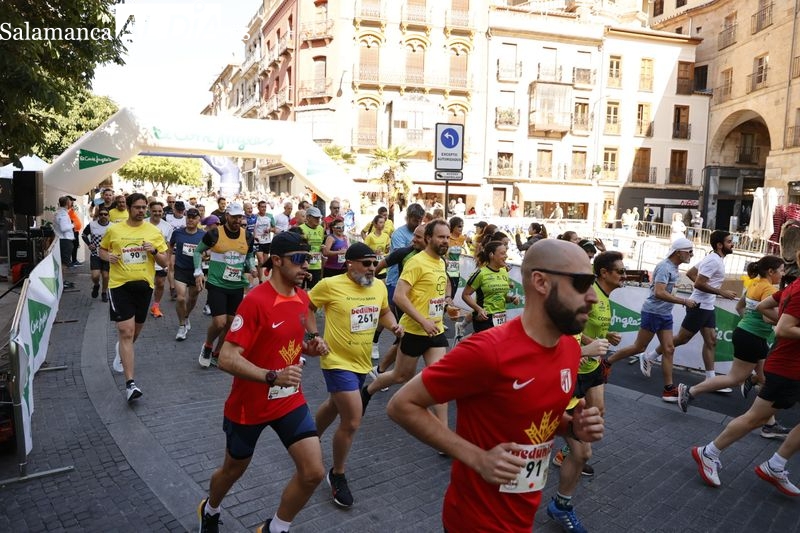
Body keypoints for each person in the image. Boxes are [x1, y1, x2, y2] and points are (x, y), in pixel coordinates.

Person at [386, 239, 604, 533]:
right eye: (582, 283)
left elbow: (534, 419)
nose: (592, 297)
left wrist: (570, 426)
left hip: (521, 518)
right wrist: (477, 458)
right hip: (474, 522)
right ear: (540, 282)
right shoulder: (488, 351)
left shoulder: (569, 348)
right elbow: (401, 405)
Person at [197, 231, 331, 533]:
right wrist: (271, 376)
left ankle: (274, 529)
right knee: (233, 470)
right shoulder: (255, 301)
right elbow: (227, 359)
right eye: (299, 260)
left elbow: (291, 341)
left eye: (308, 259)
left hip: (288, 399)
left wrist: (311, 345)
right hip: (249, 406)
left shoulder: (301, 297)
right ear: (277, 261)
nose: (305, 266)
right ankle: (211, 508)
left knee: (313, 472)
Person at [690, 253, 800, 496]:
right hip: (786, 367)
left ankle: (776, 464)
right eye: (778, 269)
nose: (781, 272)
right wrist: (777, 322)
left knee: (751, 404)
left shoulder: (792, 286)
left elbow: (762, 307)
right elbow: (782, 327)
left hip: (786, 364)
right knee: (754, 417)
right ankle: (709, 451)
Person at [308, 242, 403, 508]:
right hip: (336, 361)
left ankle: (307, 439)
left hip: (361, 362)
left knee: (334, 405)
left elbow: (384, 311)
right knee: (351, 419)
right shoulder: (330, 285)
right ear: (349, 263)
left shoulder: (379, 287)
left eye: (374, 263)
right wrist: (314, 336)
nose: (372, 268)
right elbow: (306, 307)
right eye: (366, 263)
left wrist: (394, 325)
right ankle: (337, 475)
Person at [549, 251, 625, 529]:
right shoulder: (564, 305)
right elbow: (551, 349)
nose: (591, 295)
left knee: (583, 449)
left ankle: (560, 503)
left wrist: (596, 344)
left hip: (581, 376)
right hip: (559, 383)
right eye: (584, 280)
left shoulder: (590, 300)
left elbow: (576, 337)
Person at [677, 255, 790, 438]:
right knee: (735, 379)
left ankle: (769, 424)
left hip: (751, 335)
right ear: (771, 271)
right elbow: (767, 317)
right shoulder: (769, 289)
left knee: (764, 378)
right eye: (781, 270)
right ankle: (690, 391)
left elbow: (740, 307)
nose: (783, 273)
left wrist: (750, 322)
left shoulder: (754, 284)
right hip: (752, 337)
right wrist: (789, 322)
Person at [361, 220, 452, 433]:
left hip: (435, 330)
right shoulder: (416, 262)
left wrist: (447, 300)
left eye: (447, 237)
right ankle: (368, 391)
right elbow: (400, 298)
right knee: (400, 376)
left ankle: (444, 432)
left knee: (439, 379)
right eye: (441, 237)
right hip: (414, 330)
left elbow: (444, 284)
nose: (445, 241)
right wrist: (423, 320)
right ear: (429, 238)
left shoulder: (441, 262)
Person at [638, 231, 738, 400]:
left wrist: (713, 295)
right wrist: (721, 292)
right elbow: (698, 282)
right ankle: (649, 356)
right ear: (720, 245)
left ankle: (710, 378)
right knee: (682, 339)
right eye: (729, 241)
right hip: (698, 306)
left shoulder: (714, 258)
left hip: (707, 306)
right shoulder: (713, 260)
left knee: (711, 341)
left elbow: (691, 273)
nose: (732, 244)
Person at [602, 238, 697, 401]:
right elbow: (658, 293)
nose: (692, 255)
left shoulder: (674, 268)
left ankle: (668, 389)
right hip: (653, 313)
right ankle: (607, 362)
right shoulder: (664, 267)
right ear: (678, 252)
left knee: (669, 349)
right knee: (639, 347)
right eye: (689, 251)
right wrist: (684, 301)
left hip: (665, 314)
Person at [99, 193, 169, 402]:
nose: (141, 211)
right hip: (119, 285)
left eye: (143, 207)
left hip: (144, 286)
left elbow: (165, 262)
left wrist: (154, 250)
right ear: (128, 208)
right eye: (137, 207)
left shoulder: (153, 231)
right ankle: (131, 384)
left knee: (134, 332)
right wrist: (107, 256)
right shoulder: (114, 229)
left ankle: (122, 349)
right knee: (126, 331)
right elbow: (101, 250)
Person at [194, 202, 257, 368]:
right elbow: (197, 251)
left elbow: (249, 255)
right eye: (234, 216)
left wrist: (252, 266)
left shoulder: (248, 236)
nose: (237, 220)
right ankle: (208, 345)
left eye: (240, 217)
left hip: (236, 285)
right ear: (227, 216)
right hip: (216, 283)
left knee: (230, 323)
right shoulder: (215, 233)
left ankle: (217, 353)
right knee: (219, 322)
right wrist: (198, 271)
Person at [462, 241, 519, 334]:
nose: (506, 256)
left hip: (500, 317)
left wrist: (512, 299)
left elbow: (501, 297)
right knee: (489, 346)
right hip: (484, 318)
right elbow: (465, 295)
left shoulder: (504, 272)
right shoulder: (481, 273)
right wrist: (479, 309)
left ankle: (464, 341)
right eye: (502, 253)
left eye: (506, 253)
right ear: (492, 255)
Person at [170, 208, 205, 341]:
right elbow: (171, 245)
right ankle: (181, 326)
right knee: (180, 298)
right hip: (181, 269)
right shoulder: (178, 232)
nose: (190, 219)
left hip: (196, 271)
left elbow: (209, 251)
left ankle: (186, 316)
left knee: (193, 297)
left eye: (193, 217)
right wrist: (170, 259)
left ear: (198, 220)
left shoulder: (203, 234)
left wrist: (206, 255)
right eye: (188, 217)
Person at [146, 201, 174, 318]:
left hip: (160, 259)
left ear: (163, 212)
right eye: (154, 211)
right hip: (145, 260)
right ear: (150, 211)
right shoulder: (143, 223)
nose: (157, 213)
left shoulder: (167, 227)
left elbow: (169, 246)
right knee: (146, 285)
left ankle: (155, 306)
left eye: (159, 211)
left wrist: (168, 262)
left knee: (160, 284)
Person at [82, 207, 111, 300]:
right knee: (95, 275)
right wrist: (89, 244)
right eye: (101, 214)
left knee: (106, 276)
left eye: (105, 214)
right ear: (98, 216)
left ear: (109, 216)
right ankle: (96, 285)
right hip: (95, 254)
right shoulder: (92, 225)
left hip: (107, 254)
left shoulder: (113, 226)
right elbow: (83, 234)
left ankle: (104, 292)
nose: (103, 216)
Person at [54, 196, 76, 289]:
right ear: (67, 203)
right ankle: (61, 282)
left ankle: (61, 281)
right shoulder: (63, 214)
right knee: (64, 263)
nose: (72, 204)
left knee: (62, 262)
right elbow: (64, 228)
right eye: (70, 202)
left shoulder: (59, 212)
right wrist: (73, 224)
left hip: (62, 240)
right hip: (65, 240)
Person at [253, 200, 276, 283]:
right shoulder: (255, 217)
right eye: (262, 207)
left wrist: (269, 230)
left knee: (264, 262)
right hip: (257, 241)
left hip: (267, 241)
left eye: (265, 207)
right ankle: (260, 280)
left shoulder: (270, 216)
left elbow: (274, 228)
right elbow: (251, 228)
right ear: (258, 207)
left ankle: (262, 275)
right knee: (260, 260)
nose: (263, 208)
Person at [363, 214, 390, 279]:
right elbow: (364, 250)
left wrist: (388, 249)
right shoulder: (370, 237)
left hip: (382, 267)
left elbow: (387, 251)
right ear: (375, 224)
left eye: (383, 222)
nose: (383, 224)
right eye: (380, 222)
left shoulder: (386, 236)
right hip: (372, 266)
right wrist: (373, 253)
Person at [68, 198, 83, 267]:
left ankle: (74, 260)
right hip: (72, 231)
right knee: (72, 246)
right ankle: (71, 261)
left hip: (75, 231)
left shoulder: (71, 209)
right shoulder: (67, 210)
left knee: (75, 245)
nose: (73, 202)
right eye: (71, 201)